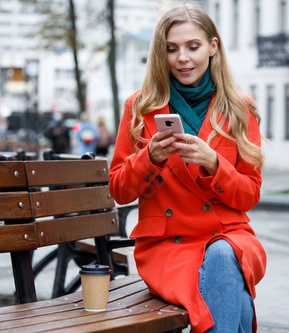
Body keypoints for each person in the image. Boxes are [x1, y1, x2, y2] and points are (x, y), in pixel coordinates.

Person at [109, 3, 266, 332]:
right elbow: (119, 191)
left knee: (225, 256)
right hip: (168, 245)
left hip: (227, 234)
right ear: (160, 54)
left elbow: (250, 194)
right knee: (229, 283)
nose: (183, 58)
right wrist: (148, 158)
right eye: (172, 49)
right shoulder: (140, 107)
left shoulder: (240, 108)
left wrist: (213, 164)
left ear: (212, 47)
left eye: (193, 47)